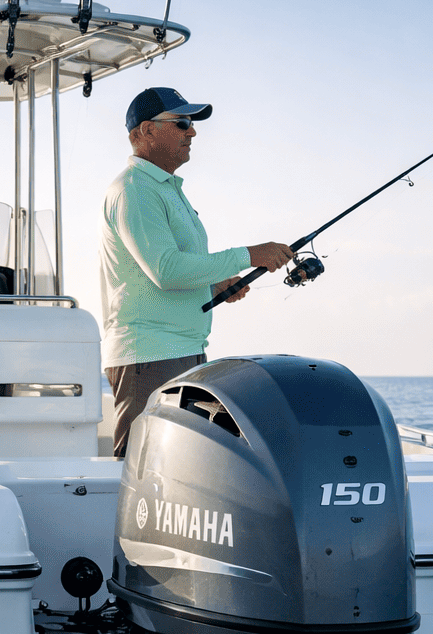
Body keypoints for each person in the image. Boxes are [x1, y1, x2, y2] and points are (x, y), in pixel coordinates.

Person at [100, 87, 293, 458]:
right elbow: (167, 270)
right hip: (149, 355)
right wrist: (248, 254)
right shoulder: (135, 189)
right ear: (146, 131)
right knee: (142, 471)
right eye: (182, 123)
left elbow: (169, 268)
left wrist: (212, 282)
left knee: (175, 473)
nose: (192, 132)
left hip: (181, 351)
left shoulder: (165, 190)